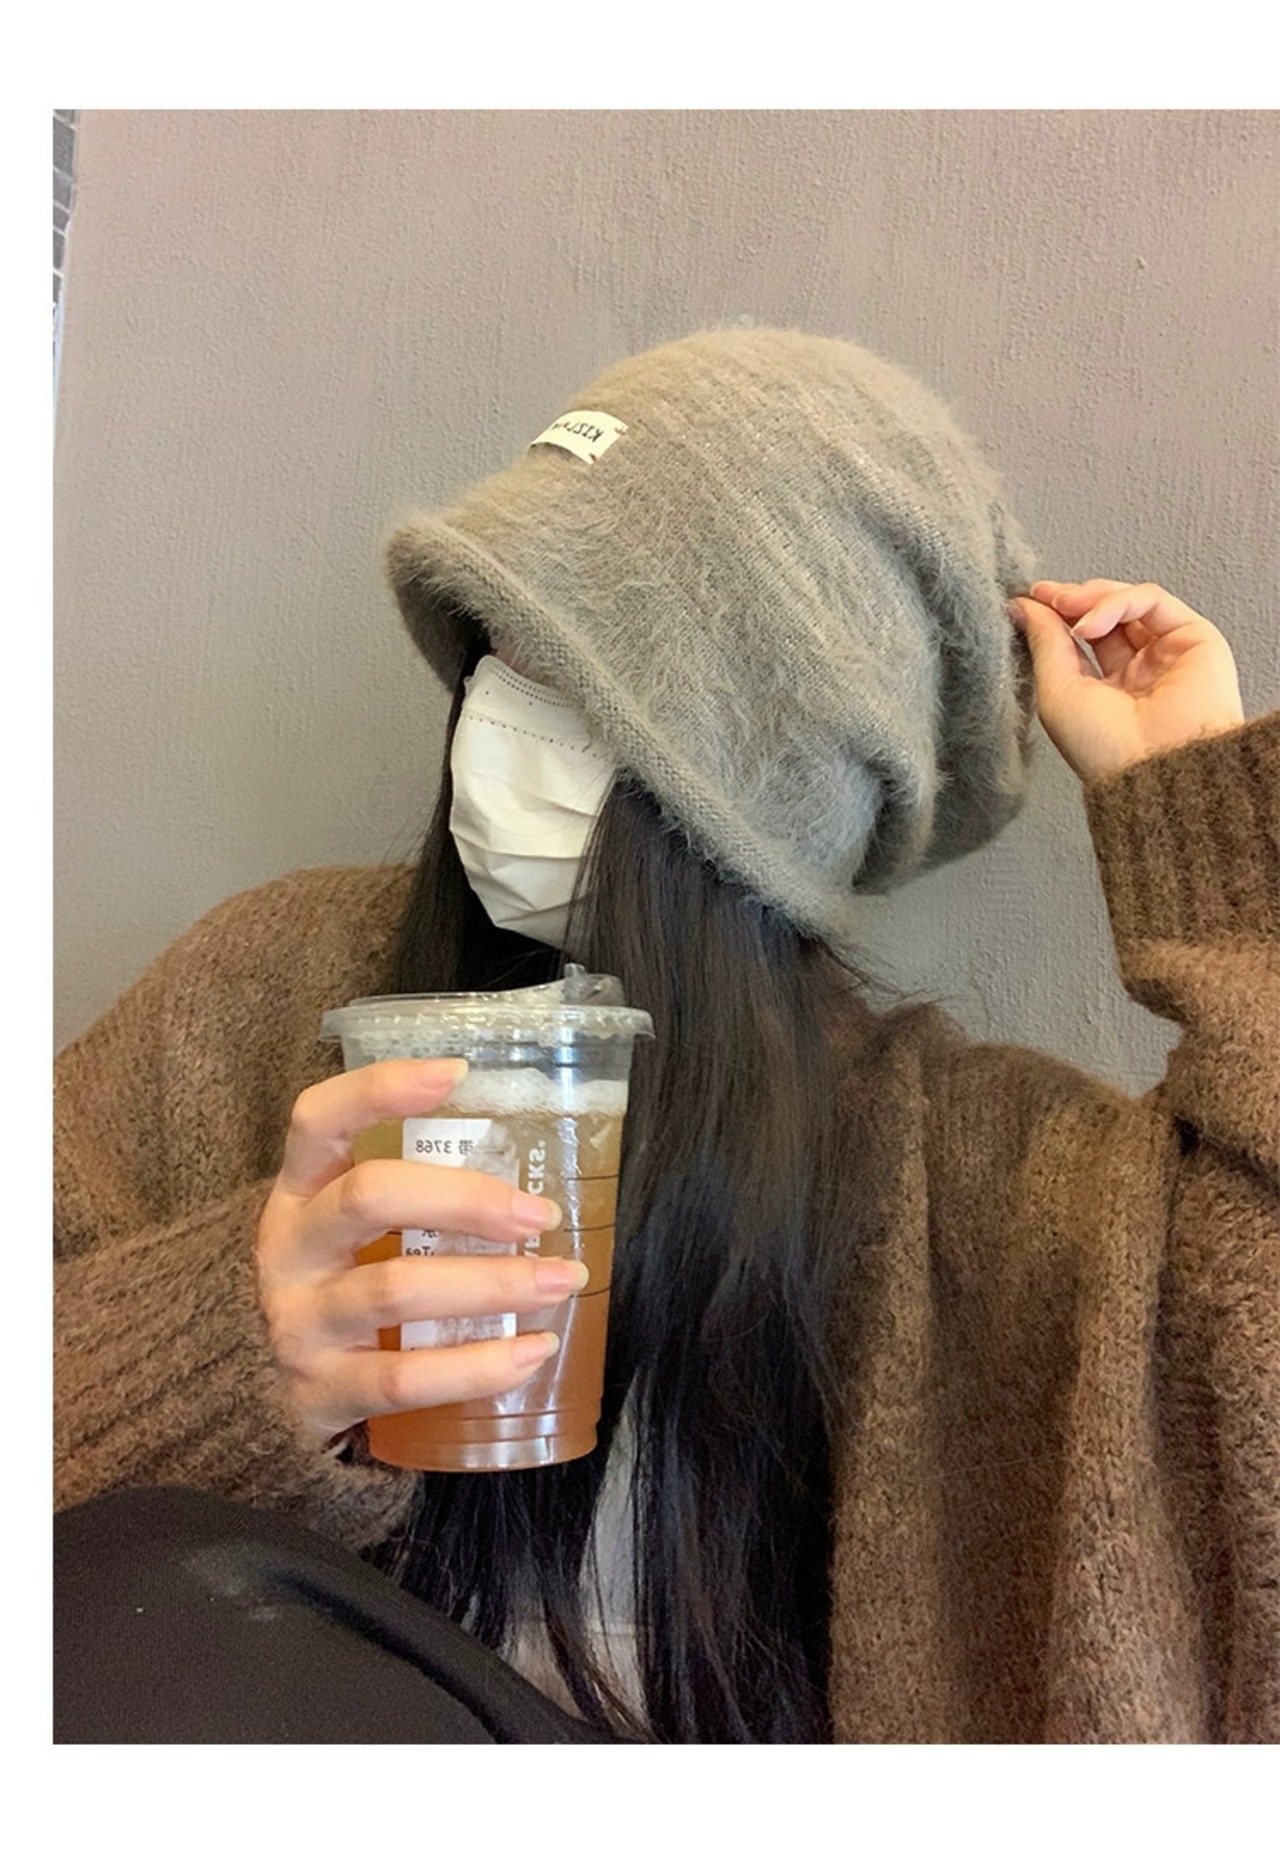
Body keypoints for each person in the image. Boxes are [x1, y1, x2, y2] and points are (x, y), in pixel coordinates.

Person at [54, 327, 1278, 1745]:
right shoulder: (264, 993)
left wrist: (1206, 841)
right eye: (497, 657)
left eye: (582, 693)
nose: (492, 728)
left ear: (773, 800)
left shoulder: (990, 1183)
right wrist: (228, 1353)